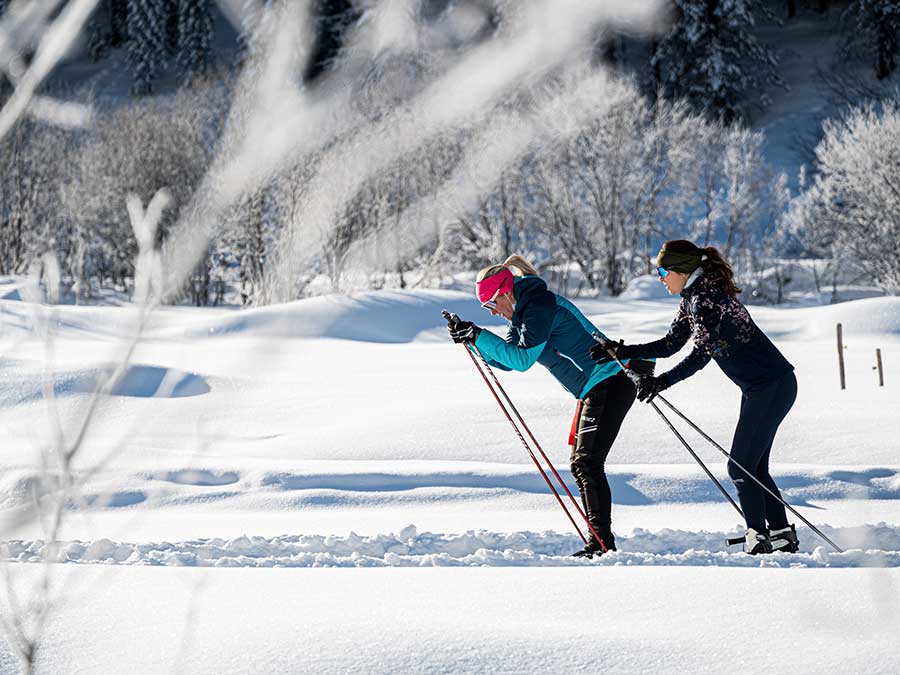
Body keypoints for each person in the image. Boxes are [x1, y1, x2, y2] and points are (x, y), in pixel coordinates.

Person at [591, 240, 799, 555]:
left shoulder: (706, 299)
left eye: (663, 272)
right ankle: (780, 533)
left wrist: (661, 382)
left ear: (681, 270)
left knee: (740, 467)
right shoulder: (692, 297)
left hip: (771, 386)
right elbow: (670, 344)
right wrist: (622, 351)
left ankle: (758, 536)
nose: (660, 279)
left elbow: (701, 354)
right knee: (752, 466)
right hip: (764, 387)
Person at [447, 254, 653, 558]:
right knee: (583, 464)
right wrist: (473, 341)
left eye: (491, 303)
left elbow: (521, 360)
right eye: (485, 308)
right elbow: (508, 361)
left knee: (587, 463)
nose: (492, 312)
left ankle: (601, 545)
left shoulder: (538, 307)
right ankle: (599, 543)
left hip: (610, 379)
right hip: (596, 385)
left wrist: (479, 335)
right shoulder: (524, 312)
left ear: (505, 292)